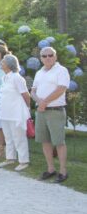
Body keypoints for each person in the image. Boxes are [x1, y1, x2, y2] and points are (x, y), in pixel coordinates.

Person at [31, 47, 70, 183]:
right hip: (41, 111)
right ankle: (50, 169)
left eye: (50, 55)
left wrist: (45, 102)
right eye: (44, 56)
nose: (47, 58)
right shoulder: (39, 72)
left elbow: (61, 89)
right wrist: (39, 102)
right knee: (45, 141)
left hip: (55, 111)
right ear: (41, 58)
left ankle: (63, 171)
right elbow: (33, 91)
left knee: (59, 142)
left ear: (55, 56)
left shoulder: (61, 70)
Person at [0, 54, 31, 171]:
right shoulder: (5, 77)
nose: (1, 63)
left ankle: (24, 160)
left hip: (16, 113)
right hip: (5, 113)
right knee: (8, 137)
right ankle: (10, 158)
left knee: (19, 137)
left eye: (3, 62)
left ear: (10, 65)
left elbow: (26, 95)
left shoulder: (17, 77)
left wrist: (28, 108)